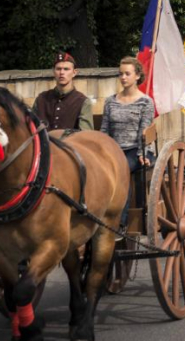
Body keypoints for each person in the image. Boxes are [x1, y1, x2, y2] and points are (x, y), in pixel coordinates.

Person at [100, 56, 155, 230]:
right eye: (120, 74)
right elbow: (104, 130)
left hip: (136, 150)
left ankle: (119, 223)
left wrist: (141, 154)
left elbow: (144, 131)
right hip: (114, 149)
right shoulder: (110, 101)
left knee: (121, 169)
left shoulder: (145, 102)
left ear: (137, 76)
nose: (123, 77)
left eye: (127, 74)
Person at [33, 52, 94, 130]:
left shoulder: (82, 102)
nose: (62, 73)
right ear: (53, 71)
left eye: (66, 69)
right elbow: (30, 130)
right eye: (58, 69)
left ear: (74, 73)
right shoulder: (41, 99)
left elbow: (85, 136)